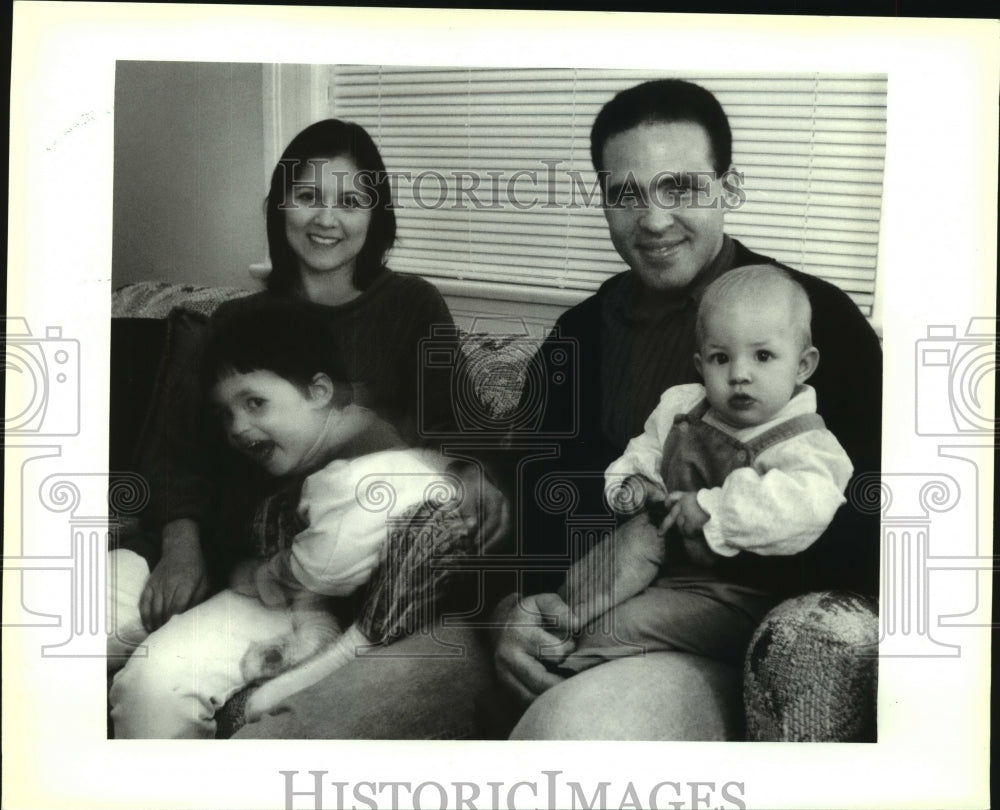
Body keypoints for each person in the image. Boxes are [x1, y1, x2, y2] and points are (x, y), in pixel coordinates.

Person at [491, 79, 882, 739]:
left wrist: (666, 530)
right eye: (626, 194)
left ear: (727, 189)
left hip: (713, 638)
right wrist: (508, 613)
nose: (653, 220)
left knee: (564, 742)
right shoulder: (579, 333)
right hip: (558, 616)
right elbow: (526, 490)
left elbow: (880, 520)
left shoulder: (812, 324)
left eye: (681, 188)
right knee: (321, 724)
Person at [109, 119, 504, 738]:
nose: (327, 218)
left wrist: (471, 480)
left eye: (351, 201)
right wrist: (179, 549)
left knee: (153, 690)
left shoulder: (411, 307)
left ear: (378, 216)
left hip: (310, 578)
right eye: (308, 196)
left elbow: (462, 441)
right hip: (210, 543)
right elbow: (176, 449)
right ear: (280, 207)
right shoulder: (235, 319)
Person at [110, 301, 470, 738]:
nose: (237, 428)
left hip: (308, 596)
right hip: (221, 566)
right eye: (226, 414)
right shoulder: (292, 441)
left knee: (157, 684)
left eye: (255, 404)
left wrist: (269, 574)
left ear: (319, 392)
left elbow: (333, 556)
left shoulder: (361, 459)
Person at [555, 264, 854, 673]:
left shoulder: (806, 444)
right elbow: (644, 449)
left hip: (736, 596)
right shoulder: (682, 407)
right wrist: (634, 484)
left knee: (617, 628)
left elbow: (804, 506)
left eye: (763, 356)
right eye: (720, 358)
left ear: (803, 365)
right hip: (664, 572)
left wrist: (714, 509)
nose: (739, 375)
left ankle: (560, 681)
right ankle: (547, 661)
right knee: (576, 598)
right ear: (700, 364)